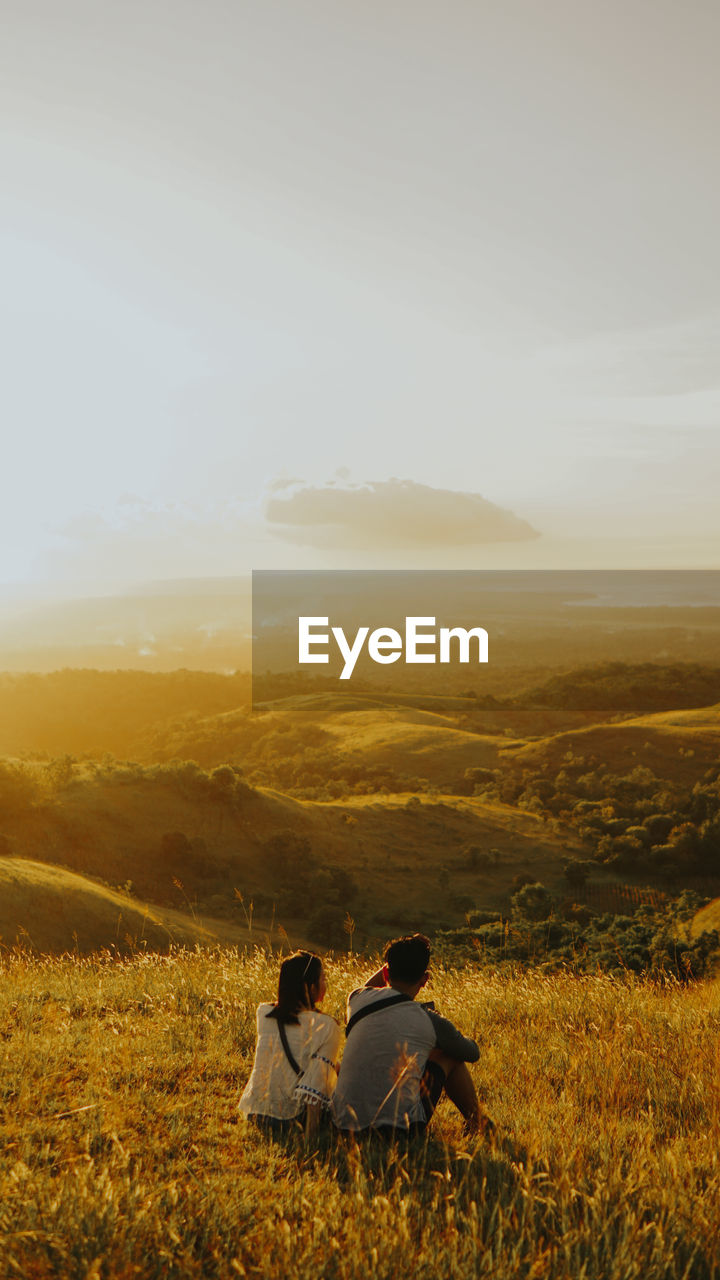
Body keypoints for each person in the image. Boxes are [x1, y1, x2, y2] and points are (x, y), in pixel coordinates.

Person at [331, 933, 491, 1138]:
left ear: (386, 973)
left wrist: (396, 959)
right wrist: (448, 1037)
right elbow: (472, 1053)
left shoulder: (357, 1000)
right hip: (400, 1131)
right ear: (425, 980)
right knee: (449, 1054)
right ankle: (478, 1124)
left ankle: (478, 1124)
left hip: (343, 1126)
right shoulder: (430, 1020)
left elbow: (368, 987)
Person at [239, 951, 340, 1137]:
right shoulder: (327, 1026)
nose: (326, 984)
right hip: (292, 1118)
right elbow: (316, 1086)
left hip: (256, 1112)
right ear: (310, 988)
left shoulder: (264, 1013)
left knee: (333, 1066)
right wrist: (312, 1137)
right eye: (323, 978)